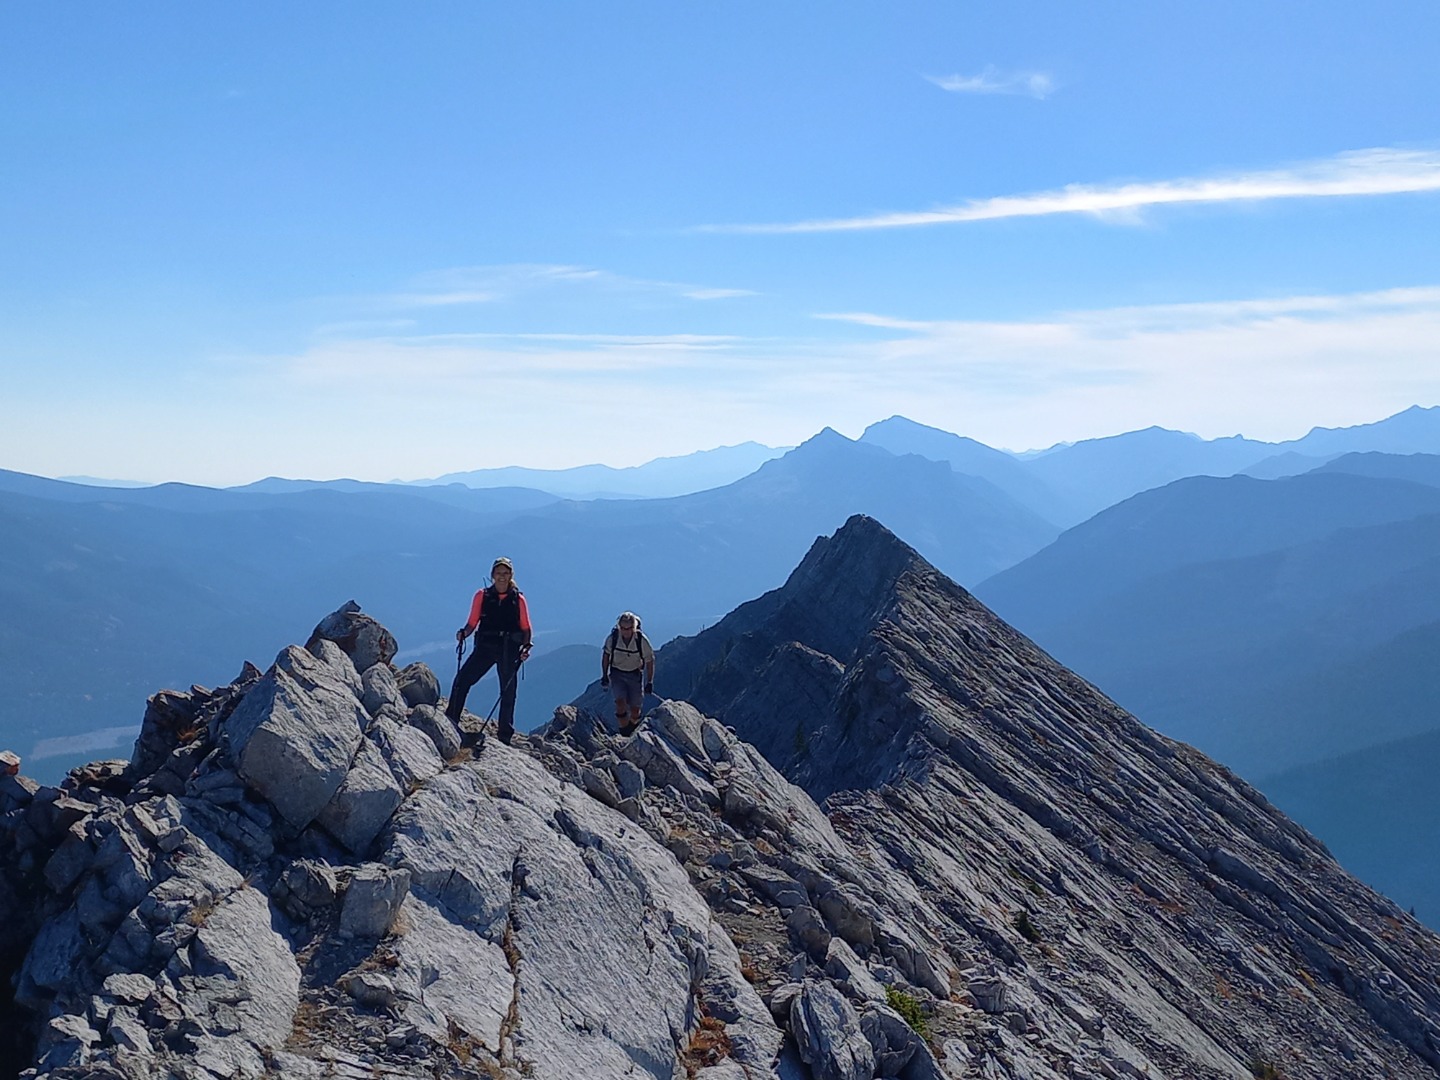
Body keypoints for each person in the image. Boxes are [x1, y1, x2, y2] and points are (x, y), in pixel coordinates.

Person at [445, 556, 532, 746]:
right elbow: (472, 622)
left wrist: (526, 647)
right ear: (493, 575)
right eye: (499, 573)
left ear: (510, 575)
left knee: (507, 692)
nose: (502, 576)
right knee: (462, 680)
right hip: (487, 647)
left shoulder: (518, 599)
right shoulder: (482, 596)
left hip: (508, 649)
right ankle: (451, 721)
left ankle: (504, 736)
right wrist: (464, 633)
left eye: (505, 573)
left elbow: (526, 628)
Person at [600, 611, 654, 736]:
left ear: (634, 627)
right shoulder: (613, 639)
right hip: (617, 674)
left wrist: (649, 681)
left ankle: (631, 727)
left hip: (635, 675)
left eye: (629, 628)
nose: (626, 631)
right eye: (623, 628)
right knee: (620, 702)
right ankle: (624, 733)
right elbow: (606, 656)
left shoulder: (641, 640)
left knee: (635, 711)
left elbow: (650, 660)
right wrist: (605, 675)